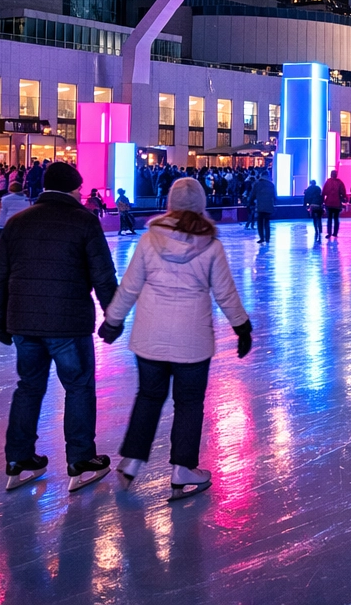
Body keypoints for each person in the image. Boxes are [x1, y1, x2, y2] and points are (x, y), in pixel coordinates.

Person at [99, 178, 253, 501]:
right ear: (200, 204)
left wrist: (113, 321)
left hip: (150, 339)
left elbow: (129, 287)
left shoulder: (149, 240)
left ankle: (132, 460)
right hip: (192, 342)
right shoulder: (210, 245)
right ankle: (183, 470)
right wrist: (242, 327)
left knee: (149, 397)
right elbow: (225, 293)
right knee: (189, 403)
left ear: (169, 203)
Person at [0, 161, 119, 492]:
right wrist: (113, 315)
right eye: (78, 188)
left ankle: (19, 460)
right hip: (68, 324)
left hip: (23, 322)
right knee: (78, 387)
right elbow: (103, 276)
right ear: (73, 188)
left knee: (28, 387)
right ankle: (80, 460)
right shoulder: (84, 222)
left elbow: (0, 275)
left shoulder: (18, 223)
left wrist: (0, 318)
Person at [251, 170, 276, 244]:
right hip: (269, 206)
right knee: (267, 223)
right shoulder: (271, 185)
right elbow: (274, 196)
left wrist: (250, 202)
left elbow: (253, 195)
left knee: (260, 223)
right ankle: (267, 238)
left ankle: (262, 238)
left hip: (260, 207)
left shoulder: (257, 184)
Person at [321, 169, 346, 239]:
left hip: (328, 203)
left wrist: (322, 201)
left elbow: (323, 193)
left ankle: (329, 233)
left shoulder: (328, 182)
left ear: (330, 174)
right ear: (336, 175)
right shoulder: (339, 182)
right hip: (337, 204)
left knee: (329, 219)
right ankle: (335, 233)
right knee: (336, 219)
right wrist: (344, 198)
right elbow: (343, 192)